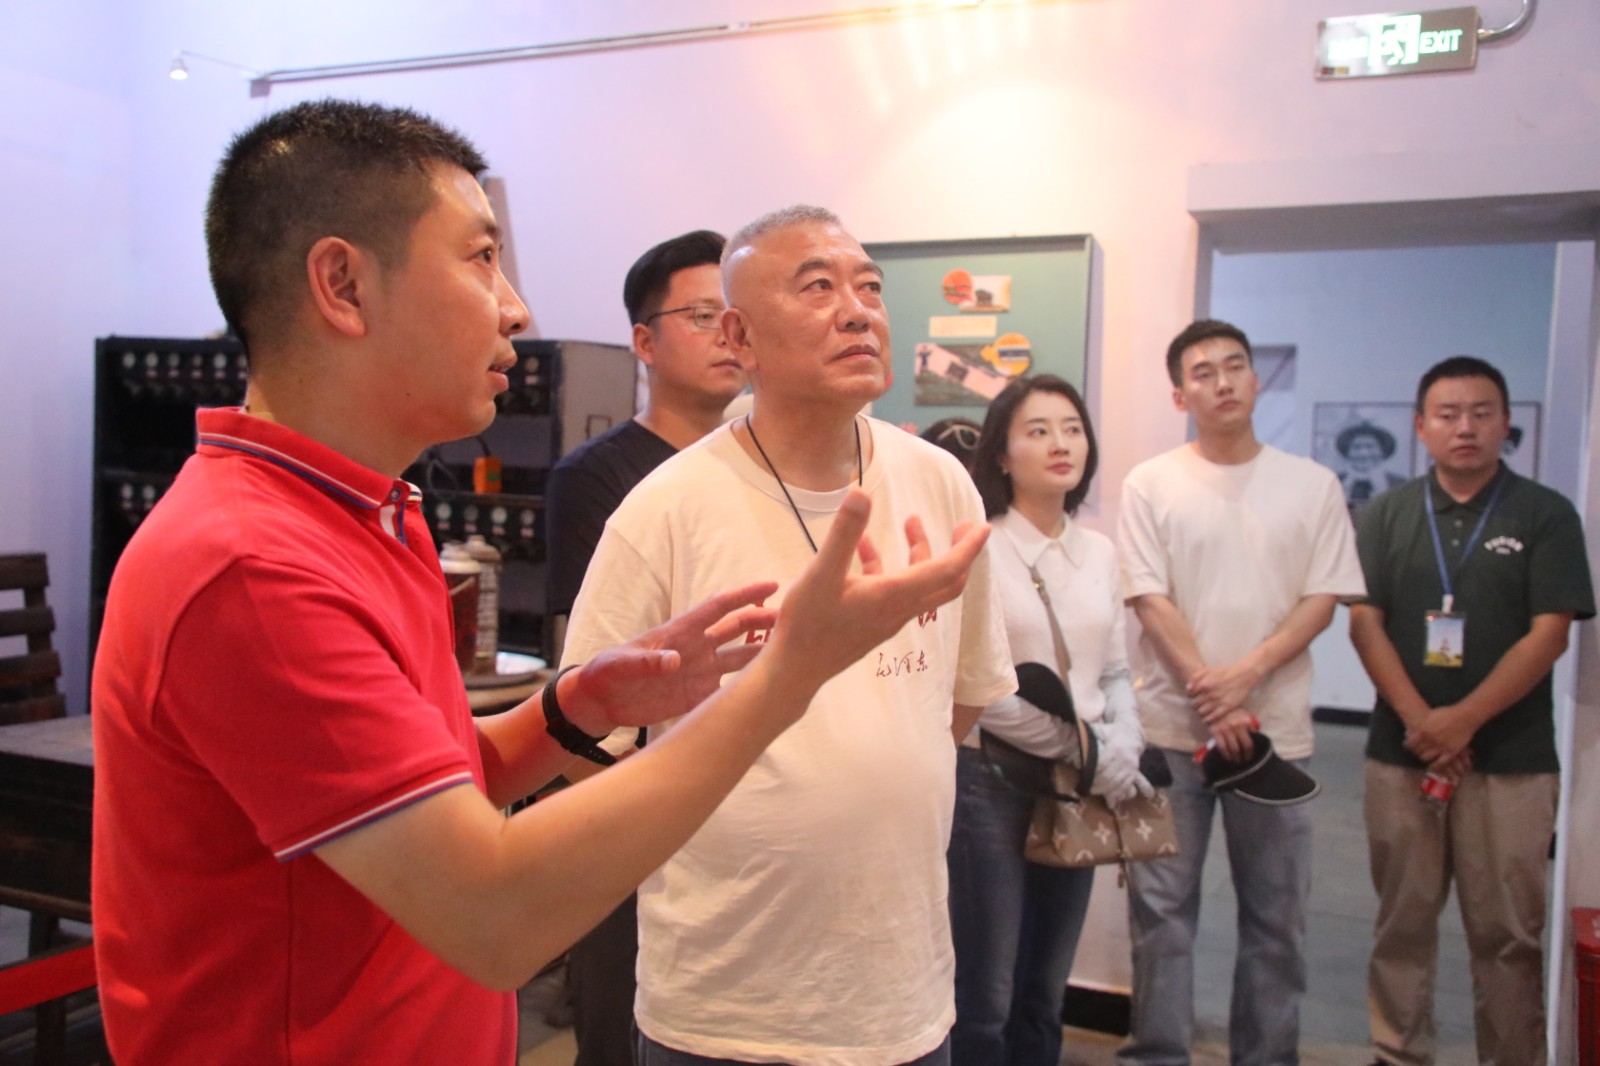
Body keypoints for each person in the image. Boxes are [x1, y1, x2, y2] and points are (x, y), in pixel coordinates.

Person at [89, 103, 992, 1066]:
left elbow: (432, 784)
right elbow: (495, 915)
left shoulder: (367, 513)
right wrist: (787, 676)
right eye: (481, 259)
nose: (516, 308)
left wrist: (574, 708)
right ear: (344, 286)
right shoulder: (252, 565)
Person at [561, 204, 1016, 1066]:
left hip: (902, 995)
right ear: (740, 335)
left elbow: (957, 704)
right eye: (817, 288)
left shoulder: (942, 484)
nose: (857, 311)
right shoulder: (666, 507)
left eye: (869, 287)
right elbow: (587, 743)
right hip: (724, 1002)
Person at [1115, 318, 1365, 1066]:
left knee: (1276, 920)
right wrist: (1215, 698)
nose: (1222, 381)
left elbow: (1323, 598)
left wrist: (1245, 679)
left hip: (1273, 735)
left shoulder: (1312, 485)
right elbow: (1148, 598)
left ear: (1256, 380)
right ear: (1179, 394)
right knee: (1161, 912)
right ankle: (1159, 1053)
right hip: (1171, 732)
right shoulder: (1150, 483)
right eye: (1203, 372)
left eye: (1235, 366)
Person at [1349, 356, 1594, 1066]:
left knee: (1508, 936)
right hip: (1401, 757)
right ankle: (1399, 1054)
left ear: (1506, 423)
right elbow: (1364, 624)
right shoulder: (1386, 514)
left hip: (1512, 762)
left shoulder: (1545, 514)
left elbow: (1549, 634)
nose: (1465, 427)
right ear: (1421, 426)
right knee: (1401, 926)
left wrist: (1461, 723)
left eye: (1481, 413)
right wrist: (1423, 722)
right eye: (1448, 414)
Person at [543, 228, 744, 1066]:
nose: (725, 334)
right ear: (644, 341)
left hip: (740, 813)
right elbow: (592, 666)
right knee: (623, 1029)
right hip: (636, 800)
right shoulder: (597, 476)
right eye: (701, 315)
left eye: (734, 315)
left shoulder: (758, 470)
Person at [948, 375, 1151, 1066]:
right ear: (1002, 455)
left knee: (1044, 988)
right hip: (990, 782)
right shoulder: (979, 548)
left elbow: (1114, 670)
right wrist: (1086, 749)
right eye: (1037, 431)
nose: (1061, 443)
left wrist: (1126, 743)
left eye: (1072, 428)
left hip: (1076, 786)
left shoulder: (1099, 552)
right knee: (987, 994)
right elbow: (977, 688)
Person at [1336, 420, 1407, 512]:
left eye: (1370, 446)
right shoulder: (1336, 481)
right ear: (1347, 452)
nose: (1363, 454)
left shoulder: (1399, 484)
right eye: (1357, 447)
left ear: (1382, 451)